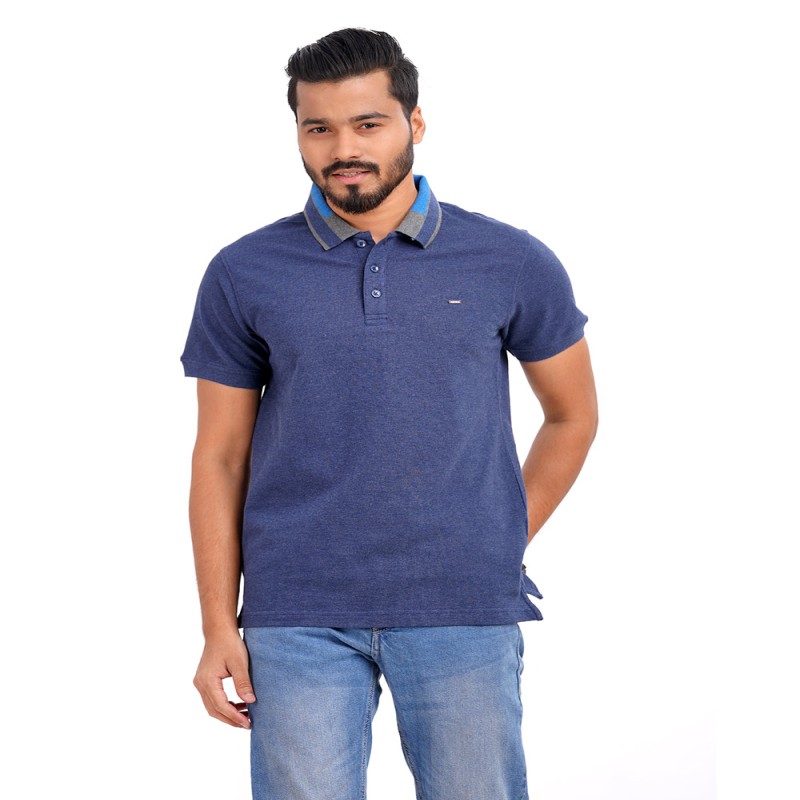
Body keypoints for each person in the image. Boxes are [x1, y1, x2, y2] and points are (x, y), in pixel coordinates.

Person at [180, 27, 598, 800]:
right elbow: (221, 456)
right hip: (295, 613)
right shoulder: (244, 272)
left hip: (462, 607)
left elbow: (572, 416)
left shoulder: (510, 261)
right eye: (319, 128)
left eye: (368, 123)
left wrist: (501, 537)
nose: (344, 148)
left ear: (415, 122)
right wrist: (216, 628)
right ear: (298, 133)